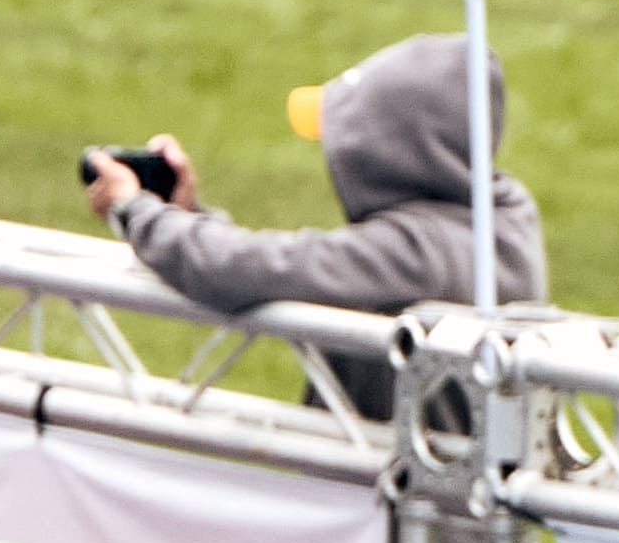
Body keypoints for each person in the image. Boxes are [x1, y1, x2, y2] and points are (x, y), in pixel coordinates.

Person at [82, 31, 542, 422]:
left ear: (396, 157)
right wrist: (188, 215)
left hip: (390, 499)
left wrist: (136, 211)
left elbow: (247, 268)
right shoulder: (507, 218)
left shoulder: (413, 253)